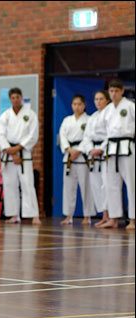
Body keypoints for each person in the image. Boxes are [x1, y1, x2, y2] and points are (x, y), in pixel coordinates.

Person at [0, 87, 41, 225]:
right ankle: (14, 214)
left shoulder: (30, 114)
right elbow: (0, 135)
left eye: (17, 97)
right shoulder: (5, 115)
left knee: (27, 183)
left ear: (21, 98)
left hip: (24, 152)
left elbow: (33, 135)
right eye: (13, 97)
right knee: (10, 185)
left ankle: (34, 215)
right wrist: (11, 151)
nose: (15, 100)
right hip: (9, 153)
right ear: (10, 99)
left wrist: (18, 148)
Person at [97, 79, 135, 230]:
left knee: (131, 185)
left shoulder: (131, 106)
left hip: (127, 147)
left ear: (122, 91)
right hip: (111, 149)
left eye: (116, 91)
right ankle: (114, 218)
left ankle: (133, 219)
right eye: (111, 91)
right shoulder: (107, 110)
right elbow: (102, 130)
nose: (113, 94)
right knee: (111, 185)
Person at [58, 94, 95, 225]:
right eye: (74, 104)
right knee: (68, 188)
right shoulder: (66, 120)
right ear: (71, 105)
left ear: (84, 105)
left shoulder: (90, 120)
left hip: (83, 157)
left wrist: (79, 150)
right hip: (69, 156)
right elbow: (62, 137)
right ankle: (68, 215)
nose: (77, 107)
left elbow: (89, 137)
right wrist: (69, 149)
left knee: (86, 187)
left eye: (79, 104)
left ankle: (87, 216)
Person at [79, 90, 111, 227]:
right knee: (96, 186)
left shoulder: (111, 114)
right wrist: (90, 149)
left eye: (101, 99)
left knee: (107, 185)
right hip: (93, 154)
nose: (98, 102)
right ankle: (104, 214)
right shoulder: (92, 117)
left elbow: (112, 134)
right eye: (96, 99)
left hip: (106, 152)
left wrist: (101, 149)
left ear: (107, 100)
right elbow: (86, 137)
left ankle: (110, 215)